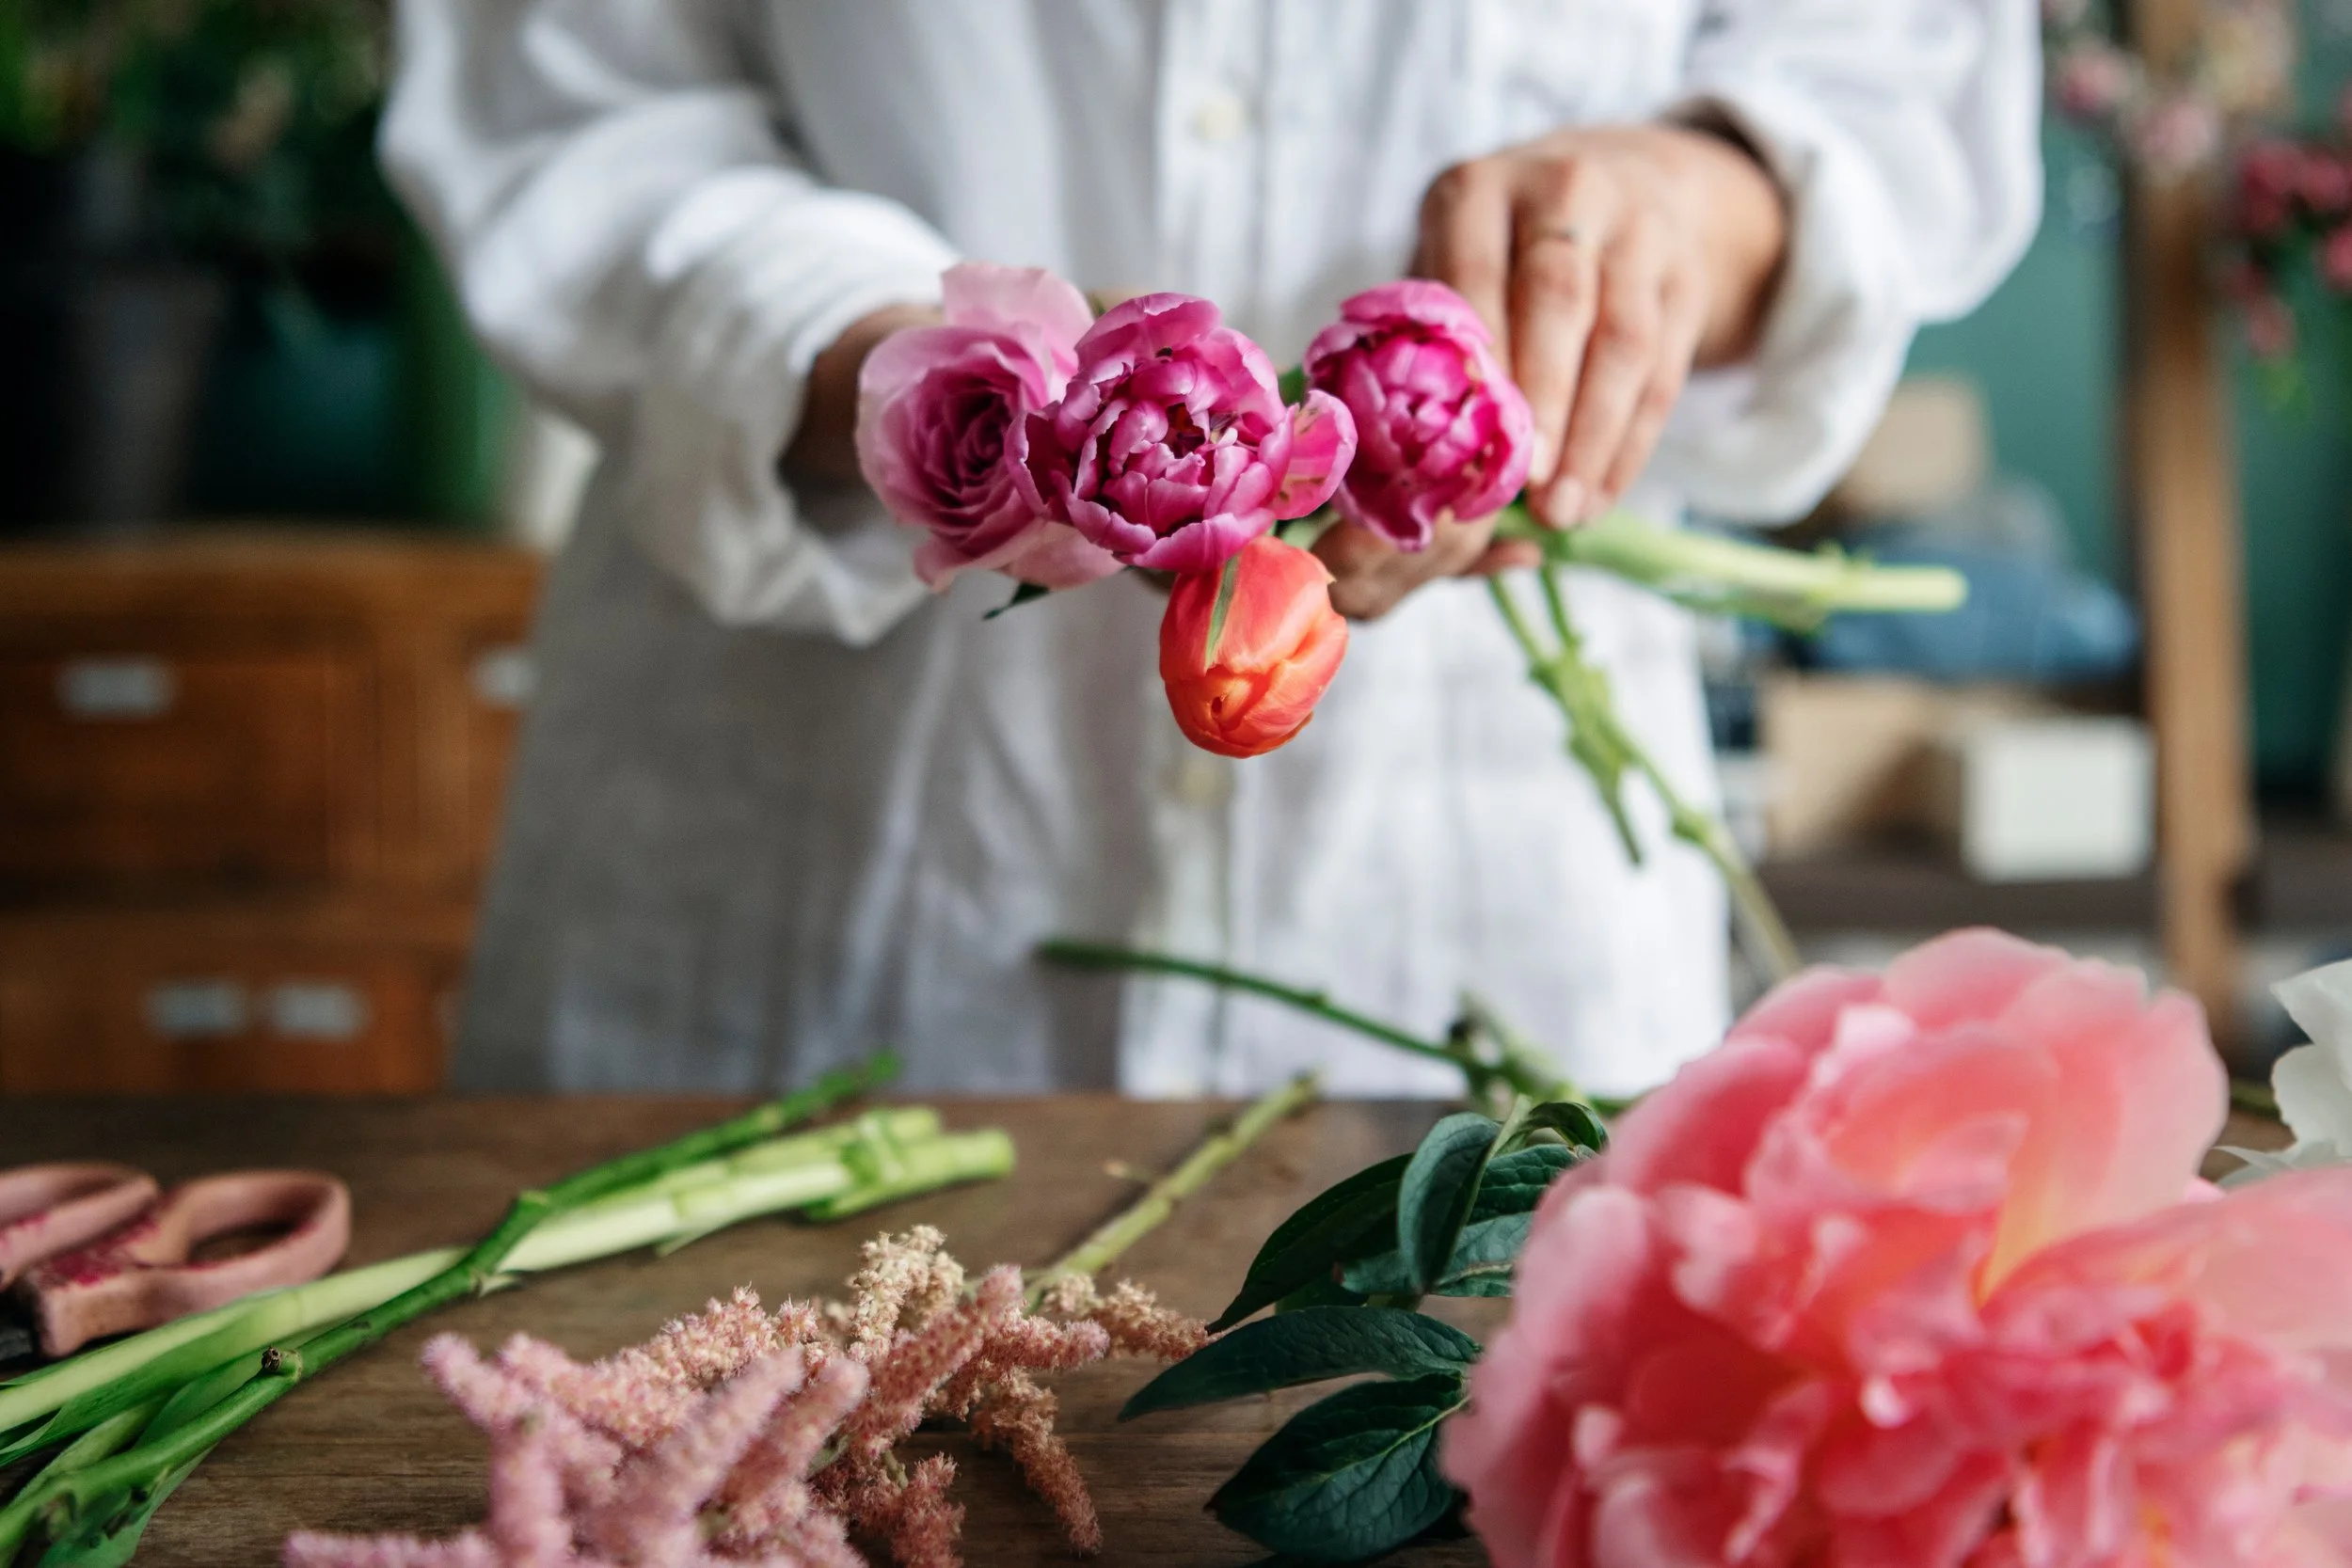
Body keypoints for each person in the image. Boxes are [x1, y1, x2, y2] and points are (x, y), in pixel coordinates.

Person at [384, 2, 2040, 1100]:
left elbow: (1886, 91)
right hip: (786, 893)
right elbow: (569, 96)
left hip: (1478, 897)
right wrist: (917, 377)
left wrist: (1693, 199)